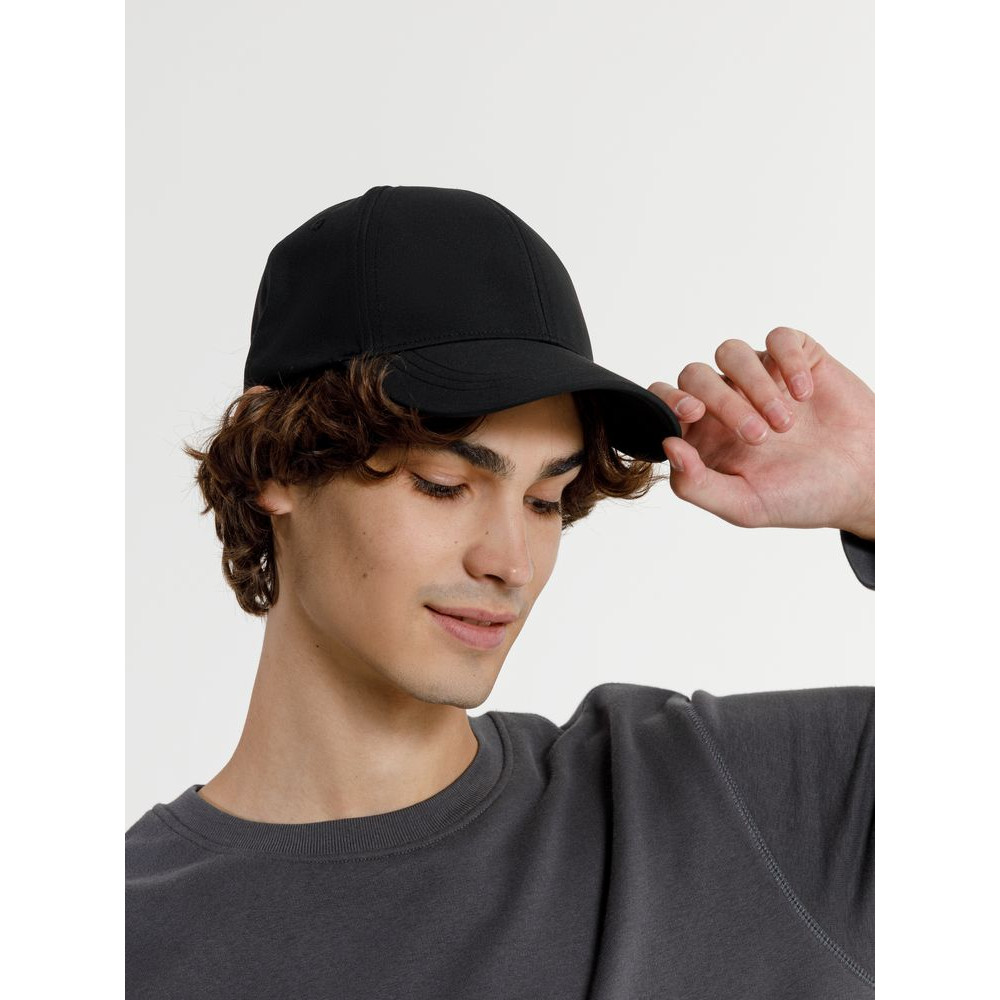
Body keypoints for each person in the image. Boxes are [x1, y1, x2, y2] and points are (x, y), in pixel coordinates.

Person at [126, 185, 875, 999]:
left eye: (545, 500)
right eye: (443, 485)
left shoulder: (723, 802)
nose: (511, 561)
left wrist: (887, 492)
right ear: (277, 464)